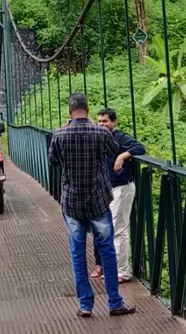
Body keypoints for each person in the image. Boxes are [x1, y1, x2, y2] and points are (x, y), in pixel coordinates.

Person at [49, 94, 136, 318]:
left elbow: (53, 161)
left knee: (78, 253)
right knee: (106, 249)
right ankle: (114, 303)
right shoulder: (100, 132)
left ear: (70, 112)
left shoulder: (59, 135)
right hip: (98, 200)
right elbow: (113, 150)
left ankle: (86, 305)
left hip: (72, 202)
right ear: (88, 110)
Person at [96, 107, 144, 282]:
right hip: (107, 189)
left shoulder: (120, 137)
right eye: (99, 121)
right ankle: (112, 269)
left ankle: (122, 271)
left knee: (118, 229)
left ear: (114, 122)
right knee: (109, 229)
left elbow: (139, 147)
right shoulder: (100, 137)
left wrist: (121, 156)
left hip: (121, 188)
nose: (101, 124)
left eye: (105, 121)